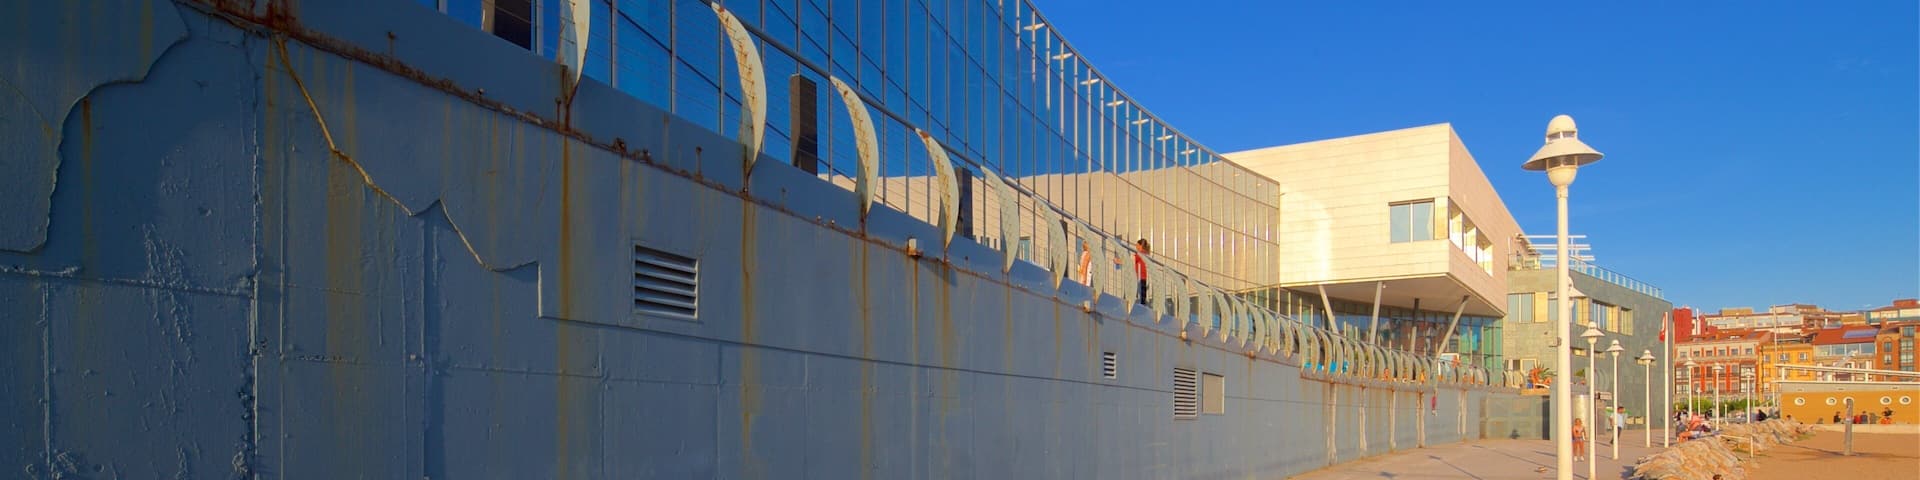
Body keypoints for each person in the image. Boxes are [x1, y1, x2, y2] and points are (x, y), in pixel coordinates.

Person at [1113, 238, 1150, 304]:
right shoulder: (1146, 254)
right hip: (1144, 278)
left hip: (1138, 278)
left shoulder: (1139, 254)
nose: (1136, 247)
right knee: (1142, 299)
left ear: (1140, 246)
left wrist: (1118, 261)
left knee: (1129, 294)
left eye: (1137, 245)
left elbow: (1129, 261)